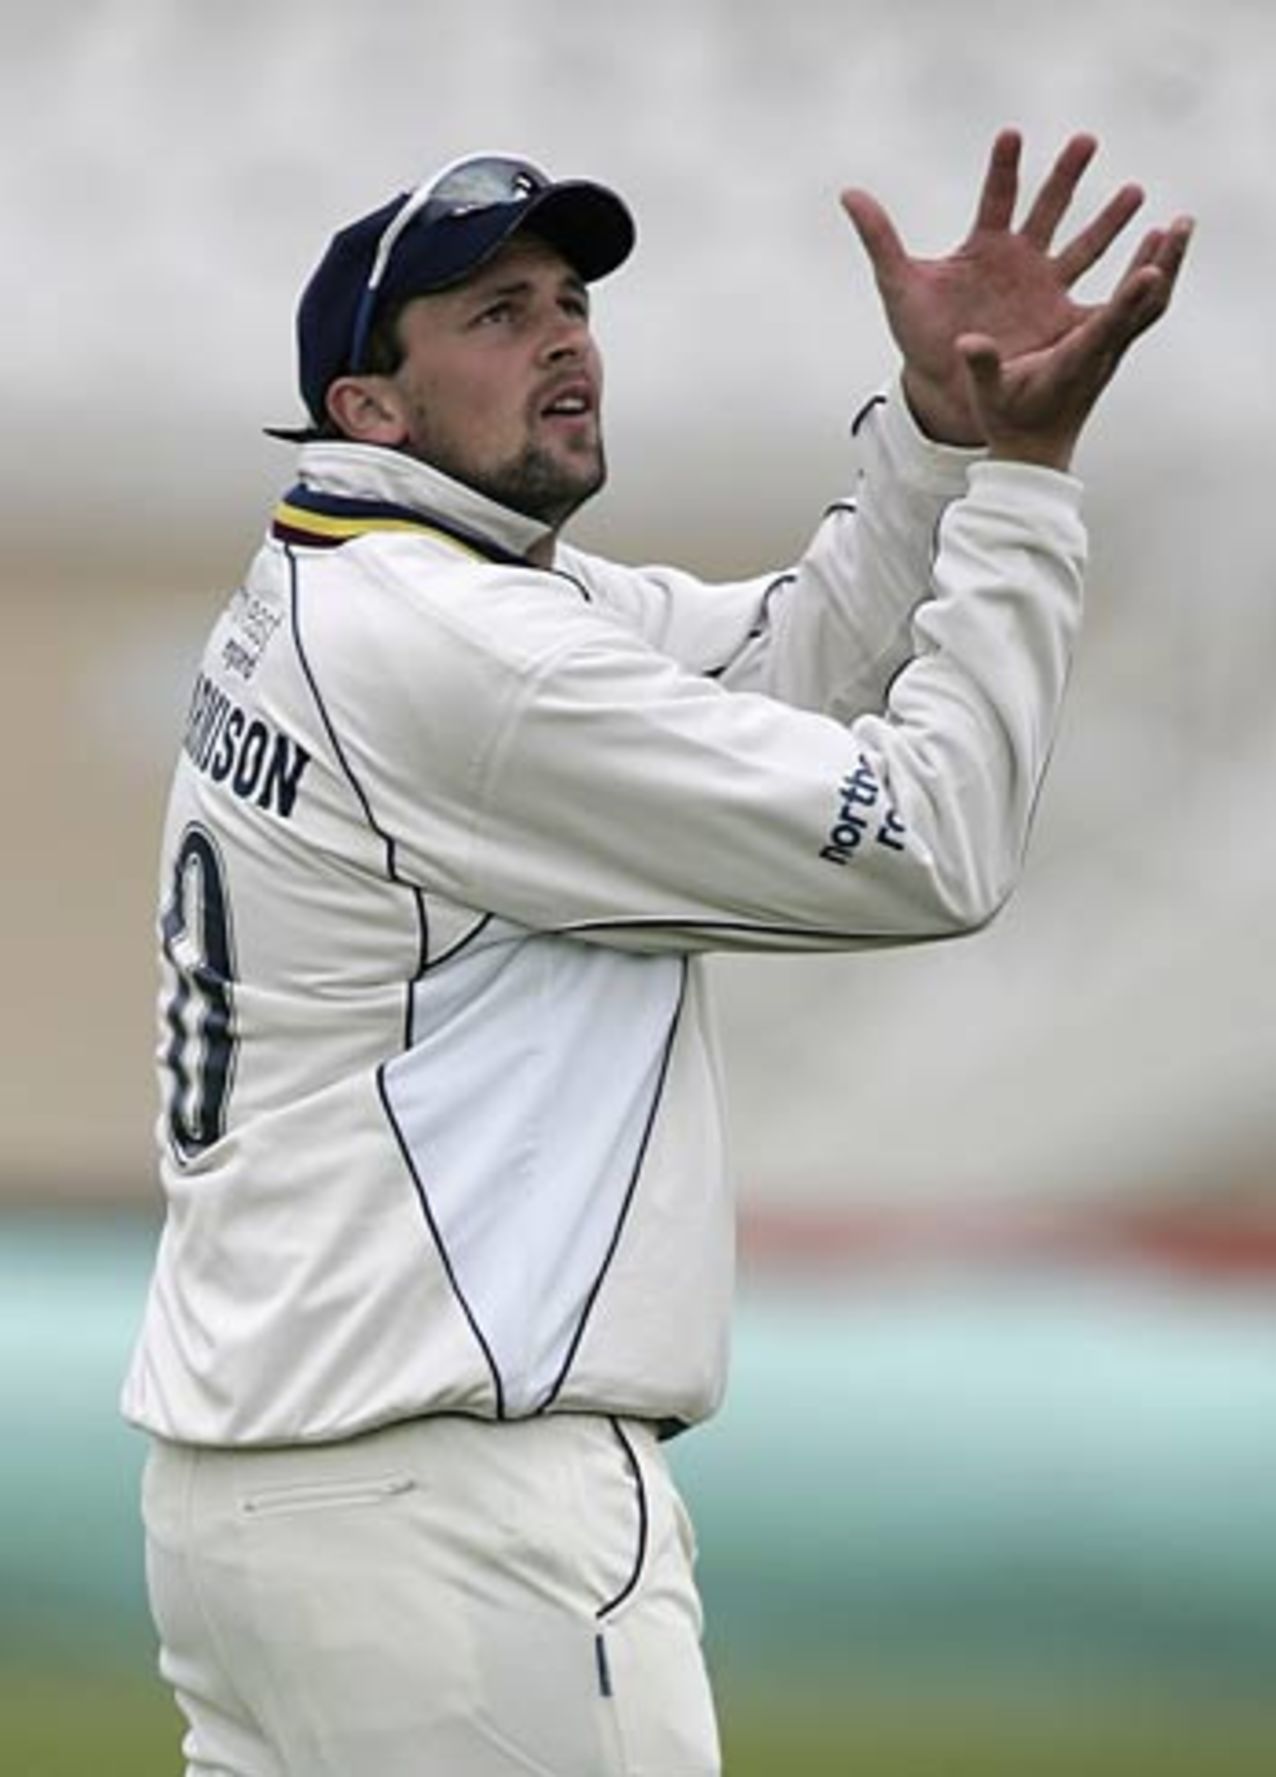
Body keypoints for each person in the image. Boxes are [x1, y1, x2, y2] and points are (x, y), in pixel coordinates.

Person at [122, 133, 1191, 1776]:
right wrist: (1029, 485)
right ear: (369, 408)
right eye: (495, 314)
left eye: (569, 300)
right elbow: (936, 838)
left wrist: (935, 434)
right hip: (453, 1518)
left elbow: (780, 668)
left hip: (250, 1507)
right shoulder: (472, 655)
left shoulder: (357, 582)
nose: (563, 338)